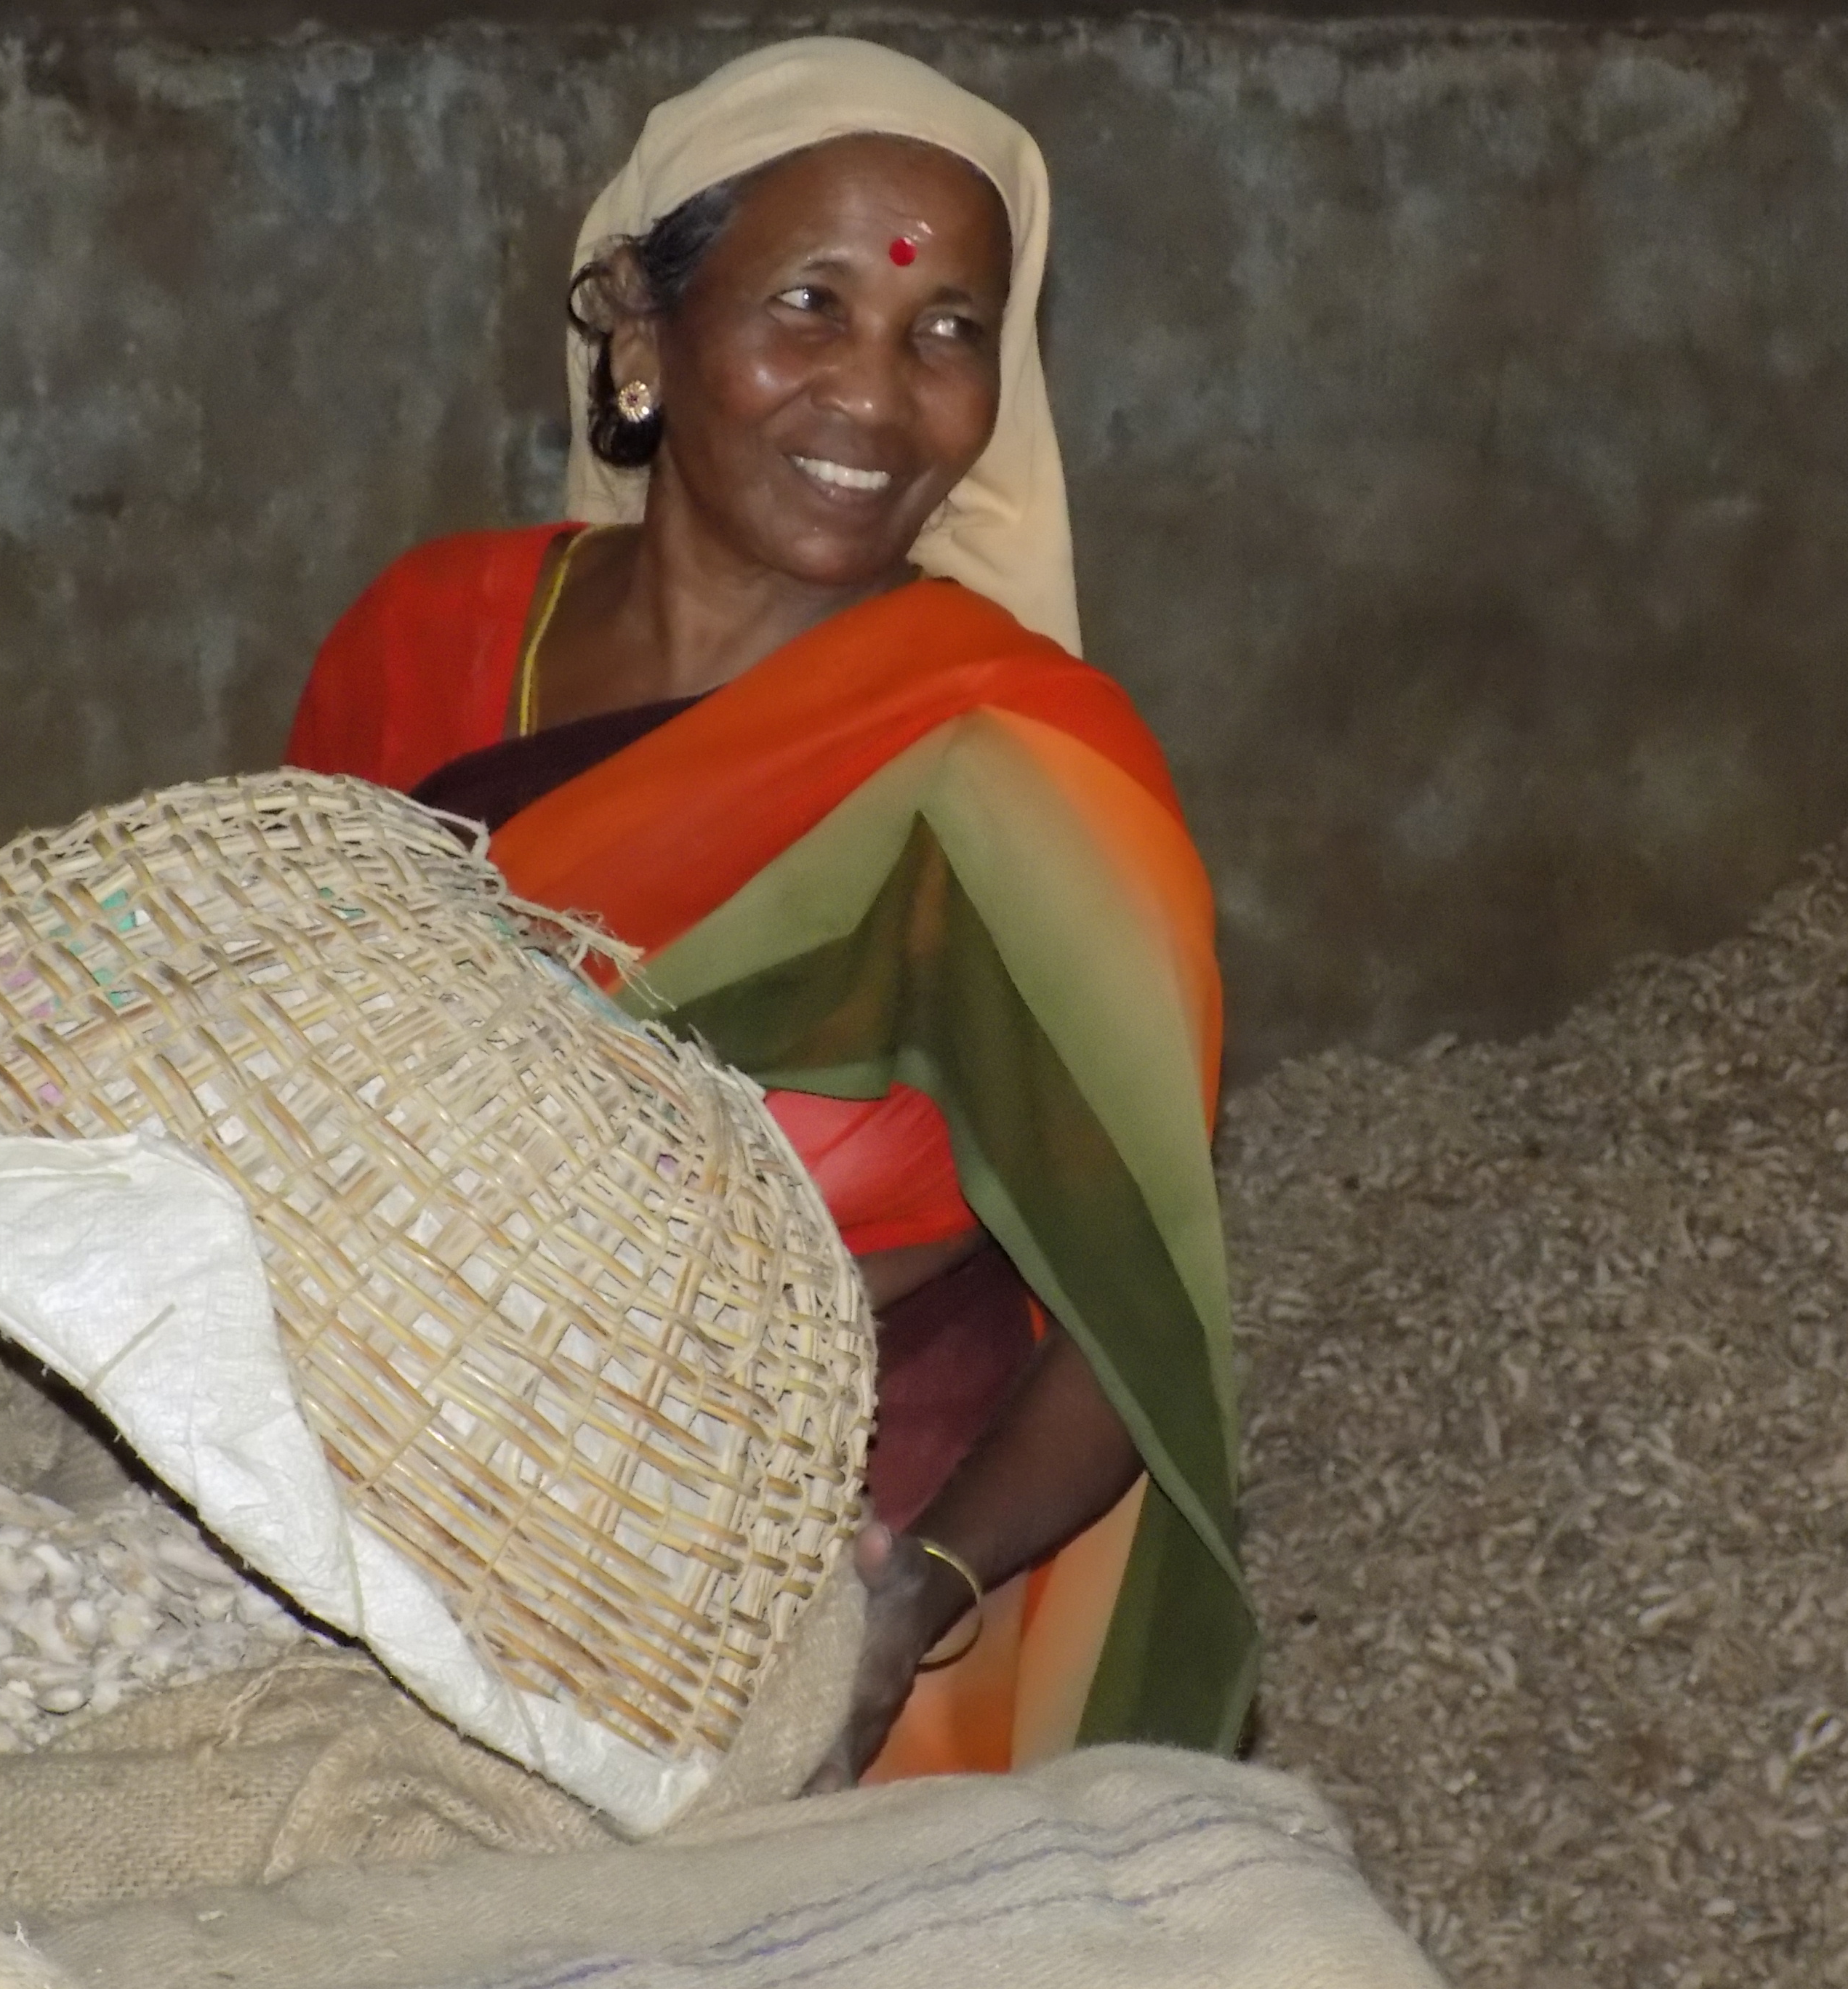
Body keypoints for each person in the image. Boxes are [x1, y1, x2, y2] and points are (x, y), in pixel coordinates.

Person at [286, 37, 1254, 1790]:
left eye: (949, 332)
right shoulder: (424, 645)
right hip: (386, 1494)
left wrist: (911, 1608)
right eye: (811, 304)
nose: (879, 401)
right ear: (641, 335)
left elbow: (1142, 1313)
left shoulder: (1019, 760)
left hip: (818, 1564)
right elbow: (276, 1078)